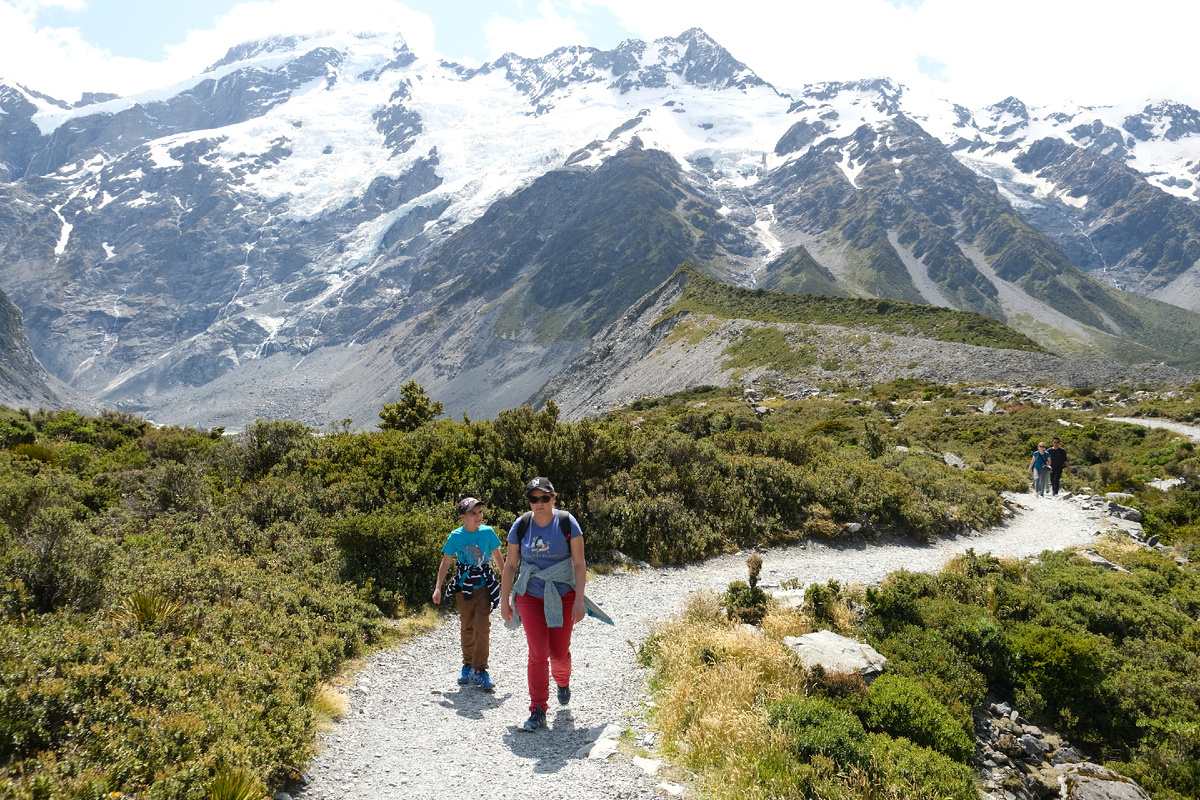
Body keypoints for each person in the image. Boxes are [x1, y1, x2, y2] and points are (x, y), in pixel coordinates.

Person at [500, 477, 586, 732]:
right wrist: (505, 601)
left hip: (563, 593)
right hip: (530, 593)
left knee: (559, 653)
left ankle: (562, 681)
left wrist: (579, 600)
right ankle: (537, 708)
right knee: (538, 652)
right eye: (533, 499)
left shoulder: (567, 523)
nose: (539, 503)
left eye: (544, 498)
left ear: (553, 498)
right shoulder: (522, 525)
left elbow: (579, 563)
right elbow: (511, 565)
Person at [433, 497, 505, 691]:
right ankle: (468, 666)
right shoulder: (455, 536)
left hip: (484, 586)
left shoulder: (488, 532)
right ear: (462, 517)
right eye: (473, 513)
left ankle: (481, 670)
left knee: (482, 627)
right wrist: (438, 587)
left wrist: (506, 583)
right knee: (467, 626)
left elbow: (497, 556)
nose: (478, 516)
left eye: (480, 512)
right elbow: (446, 562)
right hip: (463, 587)